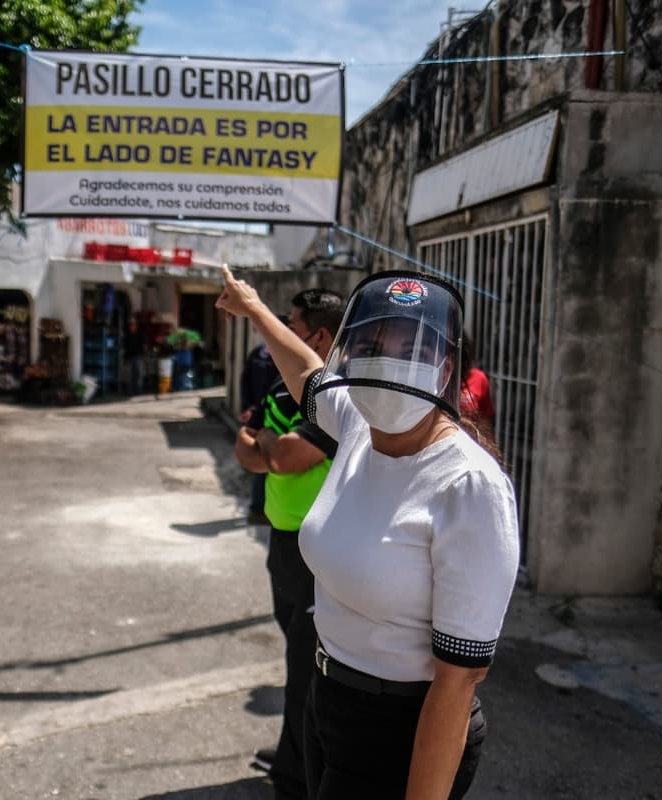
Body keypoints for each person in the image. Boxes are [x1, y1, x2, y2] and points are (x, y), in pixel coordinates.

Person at [217, 268, 520, 800]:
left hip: (400, 726)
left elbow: (458, 680)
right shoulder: (359, 425)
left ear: (445, 366)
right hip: (328, 697)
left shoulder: (470, 486)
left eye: (411, 348)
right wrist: (255, 310)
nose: (390, 361)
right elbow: (306, 370)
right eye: (374, 343)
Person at [234, 289, 343, 800]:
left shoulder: (334, 392)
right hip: (283, 543)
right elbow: (249, 451)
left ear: (318, 336)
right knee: (298, 662)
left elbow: (287, 456)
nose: (282, 334)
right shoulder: (283, 388)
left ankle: (298, 778)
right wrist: (265, 448)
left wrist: (269, 447)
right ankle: (296, 758)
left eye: (291, 326)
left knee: (308, 671)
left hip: (319, 553)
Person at [239, 323, 284, 525]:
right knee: (267, 463)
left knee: (262, 461)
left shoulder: (258, 352)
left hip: (258, 412)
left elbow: (244, 380)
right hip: (271, 414)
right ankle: (259, 509)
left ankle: (259, 509)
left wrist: (247, 407)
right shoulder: (283, 355)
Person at [458, 334, 496, 447]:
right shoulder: (438, 379)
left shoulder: (479, 379)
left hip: (471, 444)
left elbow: (486, 419)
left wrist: (488, 447)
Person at [123, 318, 146, 394]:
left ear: (136, 326)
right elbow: (124, 346)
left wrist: (143, 355)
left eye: (133, 325)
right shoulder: (127, 335)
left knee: (138, 374)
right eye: (130, 325)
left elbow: (143, 345)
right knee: (129, 376)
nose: (132, 327)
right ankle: (129, 391)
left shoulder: (140, 334)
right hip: (129, 357)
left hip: (138, 357)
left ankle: (138, 390)